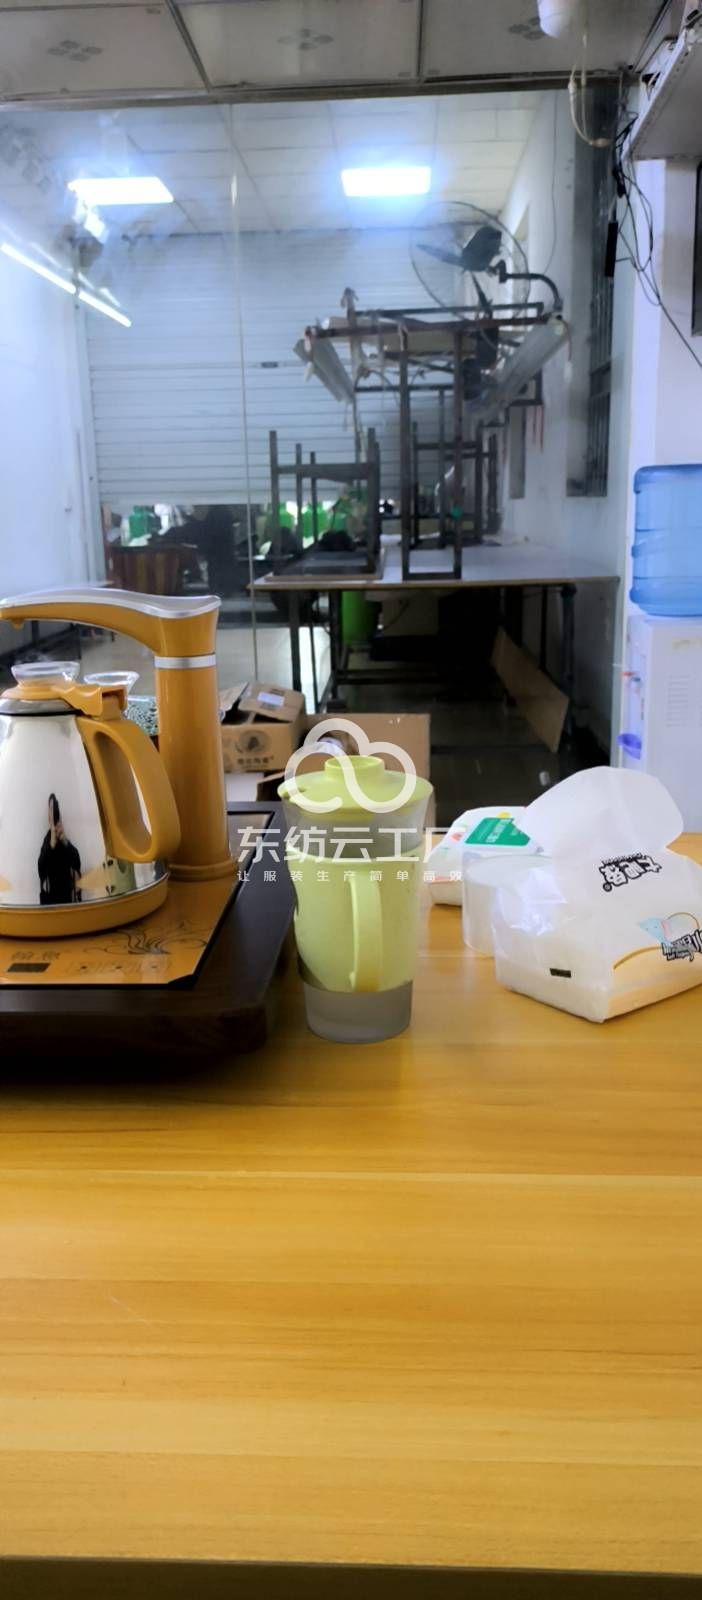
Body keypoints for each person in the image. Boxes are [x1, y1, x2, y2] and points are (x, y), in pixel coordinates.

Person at [38, 794, 82, 905]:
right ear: (49, 816)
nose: (54, 814)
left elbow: (77, 863)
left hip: (67, 901)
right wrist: (51, 844)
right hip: (51, 903)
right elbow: (41, 869)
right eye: (51, 810)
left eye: (56, 810)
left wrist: (65, 841)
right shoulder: (47, 840)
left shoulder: (64, 839)